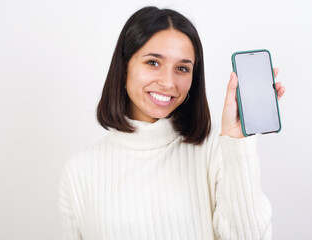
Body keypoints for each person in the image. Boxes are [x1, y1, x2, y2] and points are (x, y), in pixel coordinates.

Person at [58, 6, 285, 240]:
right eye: (153, 63)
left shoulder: (214, 151)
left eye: (182, 68)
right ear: (124, 65)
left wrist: (237, 144)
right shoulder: (79, 172)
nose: (168, 82)